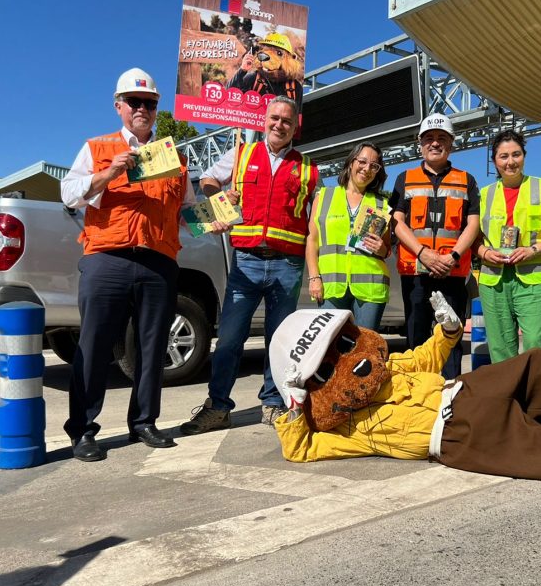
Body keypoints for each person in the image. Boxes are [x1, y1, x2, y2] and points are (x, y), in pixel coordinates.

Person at [267, 293, 541, 481]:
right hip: (455, 434)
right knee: (538, 446)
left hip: (463, 389)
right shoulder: (346, 428)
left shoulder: (389, 366)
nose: (353, 359)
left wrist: (445, 331)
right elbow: (302, 448)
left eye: (345, 343)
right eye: (326, 368)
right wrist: (293, 407)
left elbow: (425, 357)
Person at [60, 68, 196, 461]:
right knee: (96, 345)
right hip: (107, 257)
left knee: (153, 346)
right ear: (119, 106)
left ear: (156, 109)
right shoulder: (96, 147)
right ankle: (83, 431)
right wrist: (109, 172)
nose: (142, 109)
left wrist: (218, 213)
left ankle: (143, 423)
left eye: (149, 103)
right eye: (134, 102)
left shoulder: (174, 158)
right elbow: (69, 195)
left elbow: (186, 211)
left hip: (158, 262)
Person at [180, 96, 319, 434]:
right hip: (246, 264)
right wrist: (219, 199)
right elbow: (208, 180)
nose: (279, 125)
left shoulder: (309, 168)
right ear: (264, 120)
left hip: (288, 265)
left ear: (295, 126)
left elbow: (315, 222)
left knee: (279, 340)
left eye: (287, 120)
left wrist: (314, 271)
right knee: (229, 338)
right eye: (274, 118)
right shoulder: (241, 154)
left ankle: (272, 404)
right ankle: (218, 406)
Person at [389, 113, 481, 379]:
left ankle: (450, 392)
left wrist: (452, 256)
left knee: (450, 337)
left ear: (451, 144)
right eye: (429, 138)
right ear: (420, 144)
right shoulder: (404, 178)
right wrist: (424, 254)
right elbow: (397, 222)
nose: (435, 143)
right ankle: (415, 391)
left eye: (442, 138)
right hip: (415, 272)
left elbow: (472, 225)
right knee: (416, 338)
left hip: (452, 272)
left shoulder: (467, 180)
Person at [473, 130, 541, 360]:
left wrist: (532, 250)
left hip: (533, 277)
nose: (510, 162)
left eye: (516, 154)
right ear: (494, 161)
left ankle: (538, 394)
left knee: (534, 342)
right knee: (500, 347)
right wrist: (484, 252)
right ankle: (508, 395)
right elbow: (472, 238)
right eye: (503, 156)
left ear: (524, 156)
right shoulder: (483, 195)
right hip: (494, 279)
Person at [305, 142, 391, 331]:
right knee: (332, 349)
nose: (367, 169)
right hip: (331, 286)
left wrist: (382, 249)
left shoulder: (381, 203)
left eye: (374, 166)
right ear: (351, 162)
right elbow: (312, 239)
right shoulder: (324, 196)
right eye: (362, 161)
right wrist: (314, 278)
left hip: (370, 287)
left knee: (364, 351)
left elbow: (387, 249)